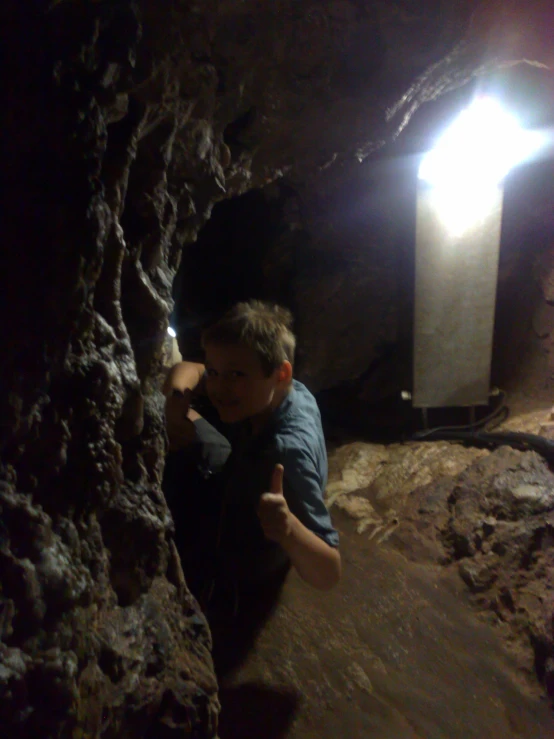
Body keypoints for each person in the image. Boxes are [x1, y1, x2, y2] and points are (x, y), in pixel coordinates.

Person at [162, 300, 341, 619]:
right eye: (216, 372)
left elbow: (329, 571)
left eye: (236, 375)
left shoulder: (284, 453)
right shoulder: (284, 390)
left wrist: (288, 530)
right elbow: (192, 369)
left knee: (175, 463)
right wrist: (177, 394)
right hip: (241, 457)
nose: (218, 387)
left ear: (280, 373)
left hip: (253, 549)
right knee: (184, 418)